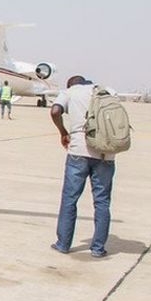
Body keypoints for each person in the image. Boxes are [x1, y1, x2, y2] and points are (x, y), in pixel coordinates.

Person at [49, 76, 116, 258]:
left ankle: (63, 244)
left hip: (79, 150)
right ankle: (98, 248)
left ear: (71, 84)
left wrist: (63, 132)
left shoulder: (70, 92)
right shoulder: (108, 91)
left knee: (70, 199)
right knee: (102, 201)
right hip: (106, 153)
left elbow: (55, 111)